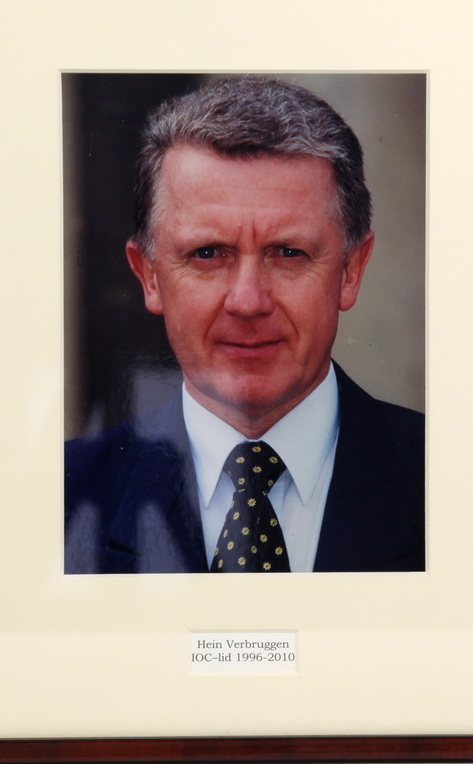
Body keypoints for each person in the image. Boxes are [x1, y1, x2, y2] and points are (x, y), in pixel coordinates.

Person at [64, 76, 424, 573]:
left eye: (288, 253)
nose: (248, 301)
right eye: (208, 253)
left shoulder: (455, 483)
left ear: (351, 271)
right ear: (149, 276)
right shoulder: (57, 499)